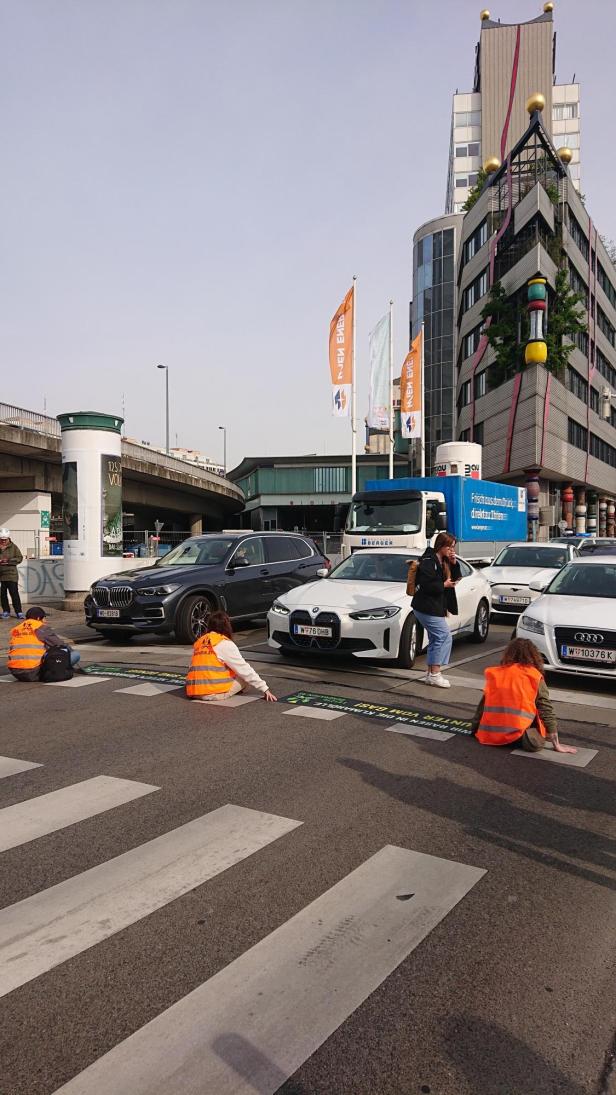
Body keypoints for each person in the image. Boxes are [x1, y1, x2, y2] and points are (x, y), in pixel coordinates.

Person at [472, 637, 577, 753]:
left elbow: (482, 706)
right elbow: (545, 709)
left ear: (508, 653)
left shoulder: (495, 673)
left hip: (490, 735)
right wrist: (556, 744)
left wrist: (474, 728)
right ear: (533, 656)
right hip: (519, 737)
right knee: (537, 726)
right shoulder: (534, 676)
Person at [186, 610, 277, 702]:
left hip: (193, 691)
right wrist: (265, 688)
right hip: (211, 693)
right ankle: (225, 691)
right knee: (243, 678)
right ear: (227, 626)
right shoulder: (224, 643)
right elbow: (244, 669)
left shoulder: (200, 642)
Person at [411, 531, 461, 688]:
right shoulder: (428, 560)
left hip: (434, 606)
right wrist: (443, 585)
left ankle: (430, 674)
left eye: (453, 547)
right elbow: (426, 585)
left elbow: (456, 578)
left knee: (435, 638)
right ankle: (435, 674)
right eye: (450, 547)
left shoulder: (444, 560)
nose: (451, 550)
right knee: (444, 636)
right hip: (426, 606)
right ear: (441, 545)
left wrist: (454, 562)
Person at [7, 606, 81, 682]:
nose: (45, 621)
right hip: (34, 672)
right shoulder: (41, 628)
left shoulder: (17, 629)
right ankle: (60, 668)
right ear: (39, 618)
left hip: (16, 672)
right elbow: (60, 644)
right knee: (75, 655)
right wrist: (69, 654)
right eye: (44, 618)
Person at [0, 529, 24, 619]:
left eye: (4, 539)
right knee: (2, 595)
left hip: (11, 575)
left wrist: (9, 561)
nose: (3, 541)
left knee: (14, 593)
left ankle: (19, 612)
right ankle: (6, 611)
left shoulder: (14, 547)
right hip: (1, 575)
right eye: (1, 539)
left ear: (8, 538)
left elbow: (19, 558)